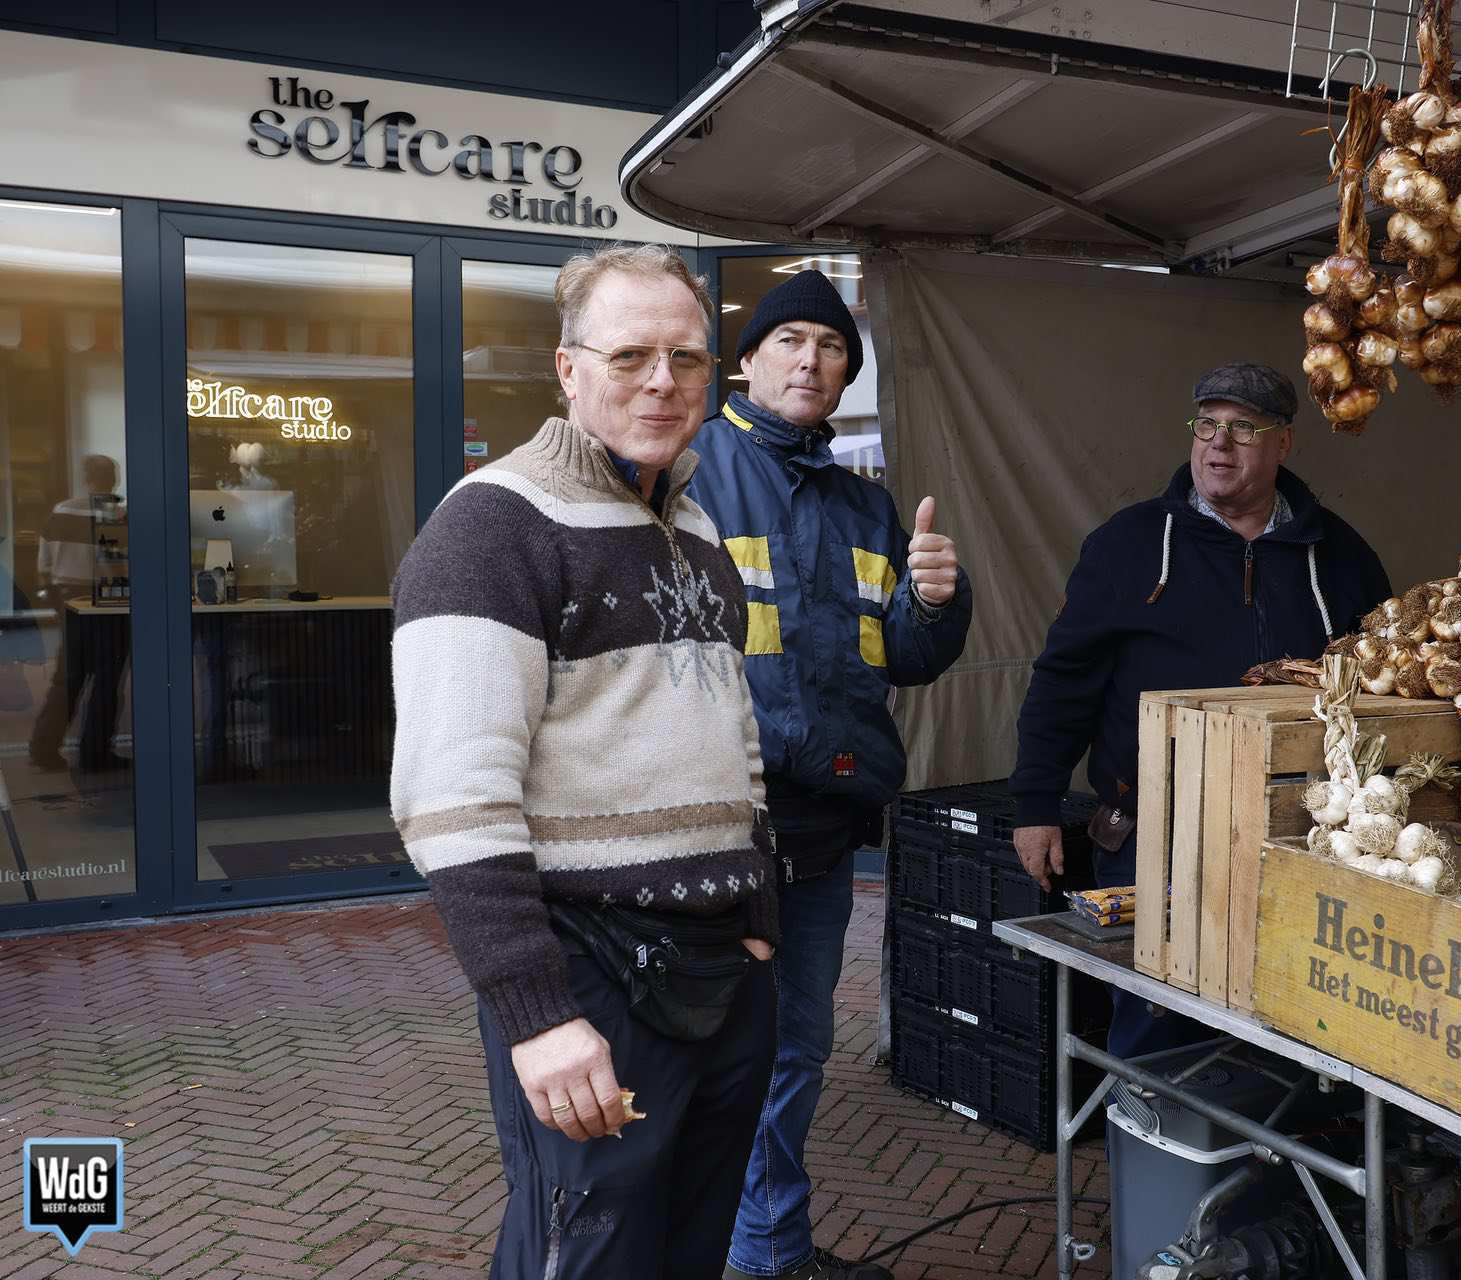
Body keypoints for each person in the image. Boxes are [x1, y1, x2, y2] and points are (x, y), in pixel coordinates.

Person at [389, 243, 781, 1280]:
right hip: (590, 977)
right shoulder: (490, 526)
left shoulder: (693, 525)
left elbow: (732, 740)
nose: (664, 380)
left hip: (720, 971)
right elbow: (450, 796)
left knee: (688, 1249)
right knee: (587, 1252)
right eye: (632, 354)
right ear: (568, 370)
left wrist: (756, 926)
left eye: (689, 358)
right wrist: (537, 1013)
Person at [697, 270, 972, 1280]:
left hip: (817, 828)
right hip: (715, 823)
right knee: (703, 1052)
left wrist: (936, 600)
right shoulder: (687, 471)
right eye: (791, 340)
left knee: (795, 1049)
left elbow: (901, 651)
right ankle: (711, 1243)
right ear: (749, 359)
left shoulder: (866, 502)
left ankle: (768, 1249)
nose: (811, 358)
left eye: (831, 344)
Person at [1009, 363, 1391, 1060]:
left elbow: (1379, 687)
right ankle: (1158, 1151)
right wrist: (1035, 801)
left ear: (1284, 445)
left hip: (1296, 837)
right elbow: (1064, 680)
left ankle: (1264, 1159)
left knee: (1287, 1021)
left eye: (1243, 428)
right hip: (1152, 834)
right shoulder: (1127, 545)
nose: (1219, 444)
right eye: (1207, 425)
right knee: (1159, 1020)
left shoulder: (1342, 556)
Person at [30, 455, 122, 771]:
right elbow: (117, 563)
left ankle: (43, 748)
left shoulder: (60, 510)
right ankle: (95, 753)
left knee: (68, 676)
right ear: (113, 479)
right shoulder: (113, 511)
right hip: (104, 601)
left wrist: (54, 593)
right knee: (107, 678)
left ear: (86, 478)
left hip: (66, 597)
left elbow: (43, 562)